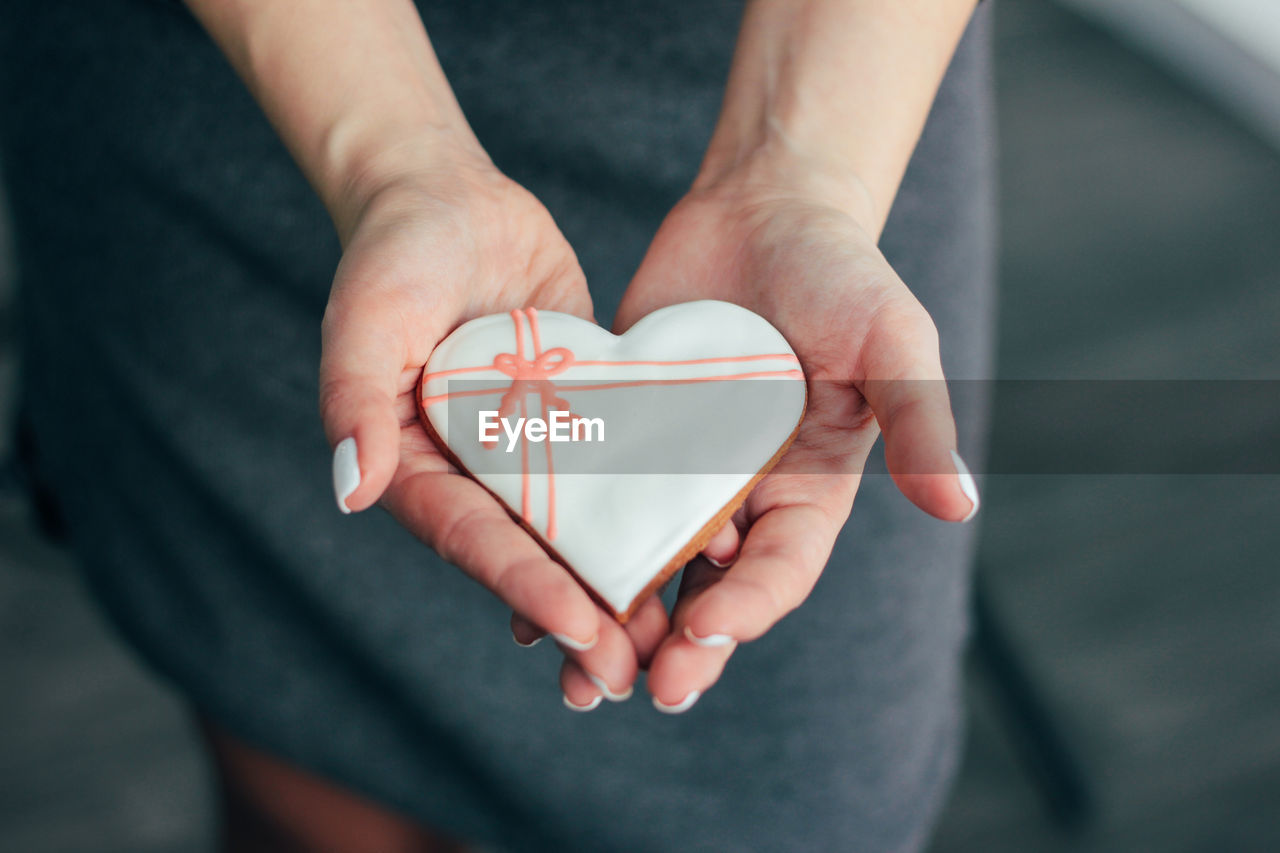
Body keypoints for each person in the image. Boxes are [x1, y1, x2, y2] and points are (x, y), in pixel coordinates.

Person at [2, 0, 995, 850]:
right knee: (299, 754)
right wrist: (394, 163)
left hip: (830, 75)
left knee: (798, 806)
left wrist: (801, 179)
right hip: (244, 82)